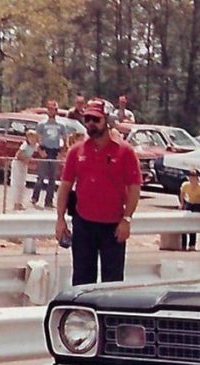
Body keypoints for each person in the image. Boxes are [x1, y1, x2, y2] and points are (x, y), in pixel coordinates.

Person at [55, 100, 142, 286]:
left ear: (107, 120)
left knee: (113, 282)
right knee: (82, 280)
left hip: (113, 227)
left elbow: (135, 187)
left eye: (95, 119)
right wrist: (60, 218)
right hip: (83, 224)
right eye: (87, 119)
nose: (90, 124)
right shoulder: (76, 151)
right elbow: (65, 186)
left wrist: (127, 219)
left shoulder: (125, 152)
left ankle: (109, 315)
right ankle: (81, 314)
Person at [32, 101, 67, 208]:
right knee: (41, 177)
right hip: (45, 151)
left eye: (54, 109)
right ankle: (35, 198)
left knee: (52, 179)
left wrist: (62, 153)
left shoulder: (61, 125)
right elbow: (36, 139)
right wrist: (40, 151)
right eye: (50, 109)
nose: (52, 111)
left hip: (55, 151)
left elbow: (66, 140)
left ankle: (49, 201)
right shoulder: (42, 124)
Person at [178, 169, 200, 250]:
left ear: (198, 178)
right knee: (184, 223)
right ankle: (183, 244)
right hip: (189, 202)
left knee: (192, 223)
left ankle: (192, 244)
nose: (192, 180)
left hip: (199, 204)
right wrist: (182, 204)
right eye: (191, 177)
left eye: (194, 178)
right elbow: (182, 194)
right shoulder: (185, 185)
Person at [10, 129, 38, 211]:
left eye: (34, 138)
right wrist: (25, 159)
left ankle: (20, 202)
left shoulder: (35, 145)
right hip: (18, 164)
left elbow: (39, 150)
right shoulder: (25, 145)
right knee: (17, 183)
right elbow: (18, 155)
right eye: (31, 138)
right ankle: (16, 203)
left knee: (22, 184)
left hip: (24, 165)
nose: (32, 140)